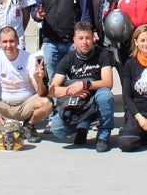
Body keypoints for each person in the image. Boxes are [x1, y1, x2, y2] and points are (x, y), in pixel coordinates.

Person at [0, 26, 52, 143]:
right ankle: (3, 122)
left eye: (11, 41)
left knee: (47, 103)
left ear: (18, 41)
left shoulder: (29, 58)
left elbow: (41, 93)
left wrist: (39, 80)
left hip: (26, 105)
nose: (8, 45)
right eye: (5, 42)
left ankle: (29, 125)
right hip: (4, 104)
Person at [47, 22, 115, 152]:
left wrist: (85, 84)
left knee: (105, 96)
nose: (84, 42)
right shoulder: (68, 59)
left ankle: (103, 135)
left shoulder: (103, 54)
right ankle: (81, 127)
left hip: (96, 97)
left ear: (93, 39)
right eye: (81, 38)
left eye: (88, 38)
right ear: (74, 40)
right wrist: (71, 90)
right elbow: (52, 91)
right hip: (79, 102)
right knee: (57, 129)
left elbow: (108, 82)